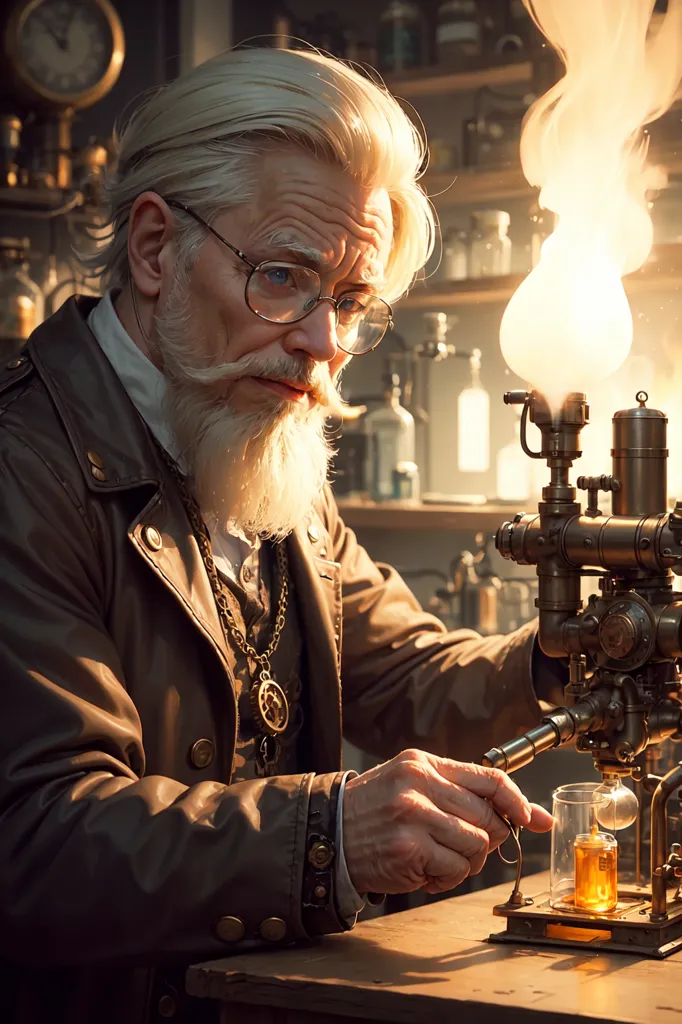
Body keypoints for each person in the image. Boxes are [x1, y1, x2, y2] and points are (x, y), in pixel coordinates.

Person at [0, 47, 556, 1024]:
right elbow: (34, 839)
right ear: (155, 248)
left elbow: (408, 679)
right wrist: (330, 834)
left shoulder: (256, 439)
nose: (324, 344)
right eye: (284, 277)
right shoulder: (23, 465)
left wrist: (575, 652)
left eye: (349, 302)